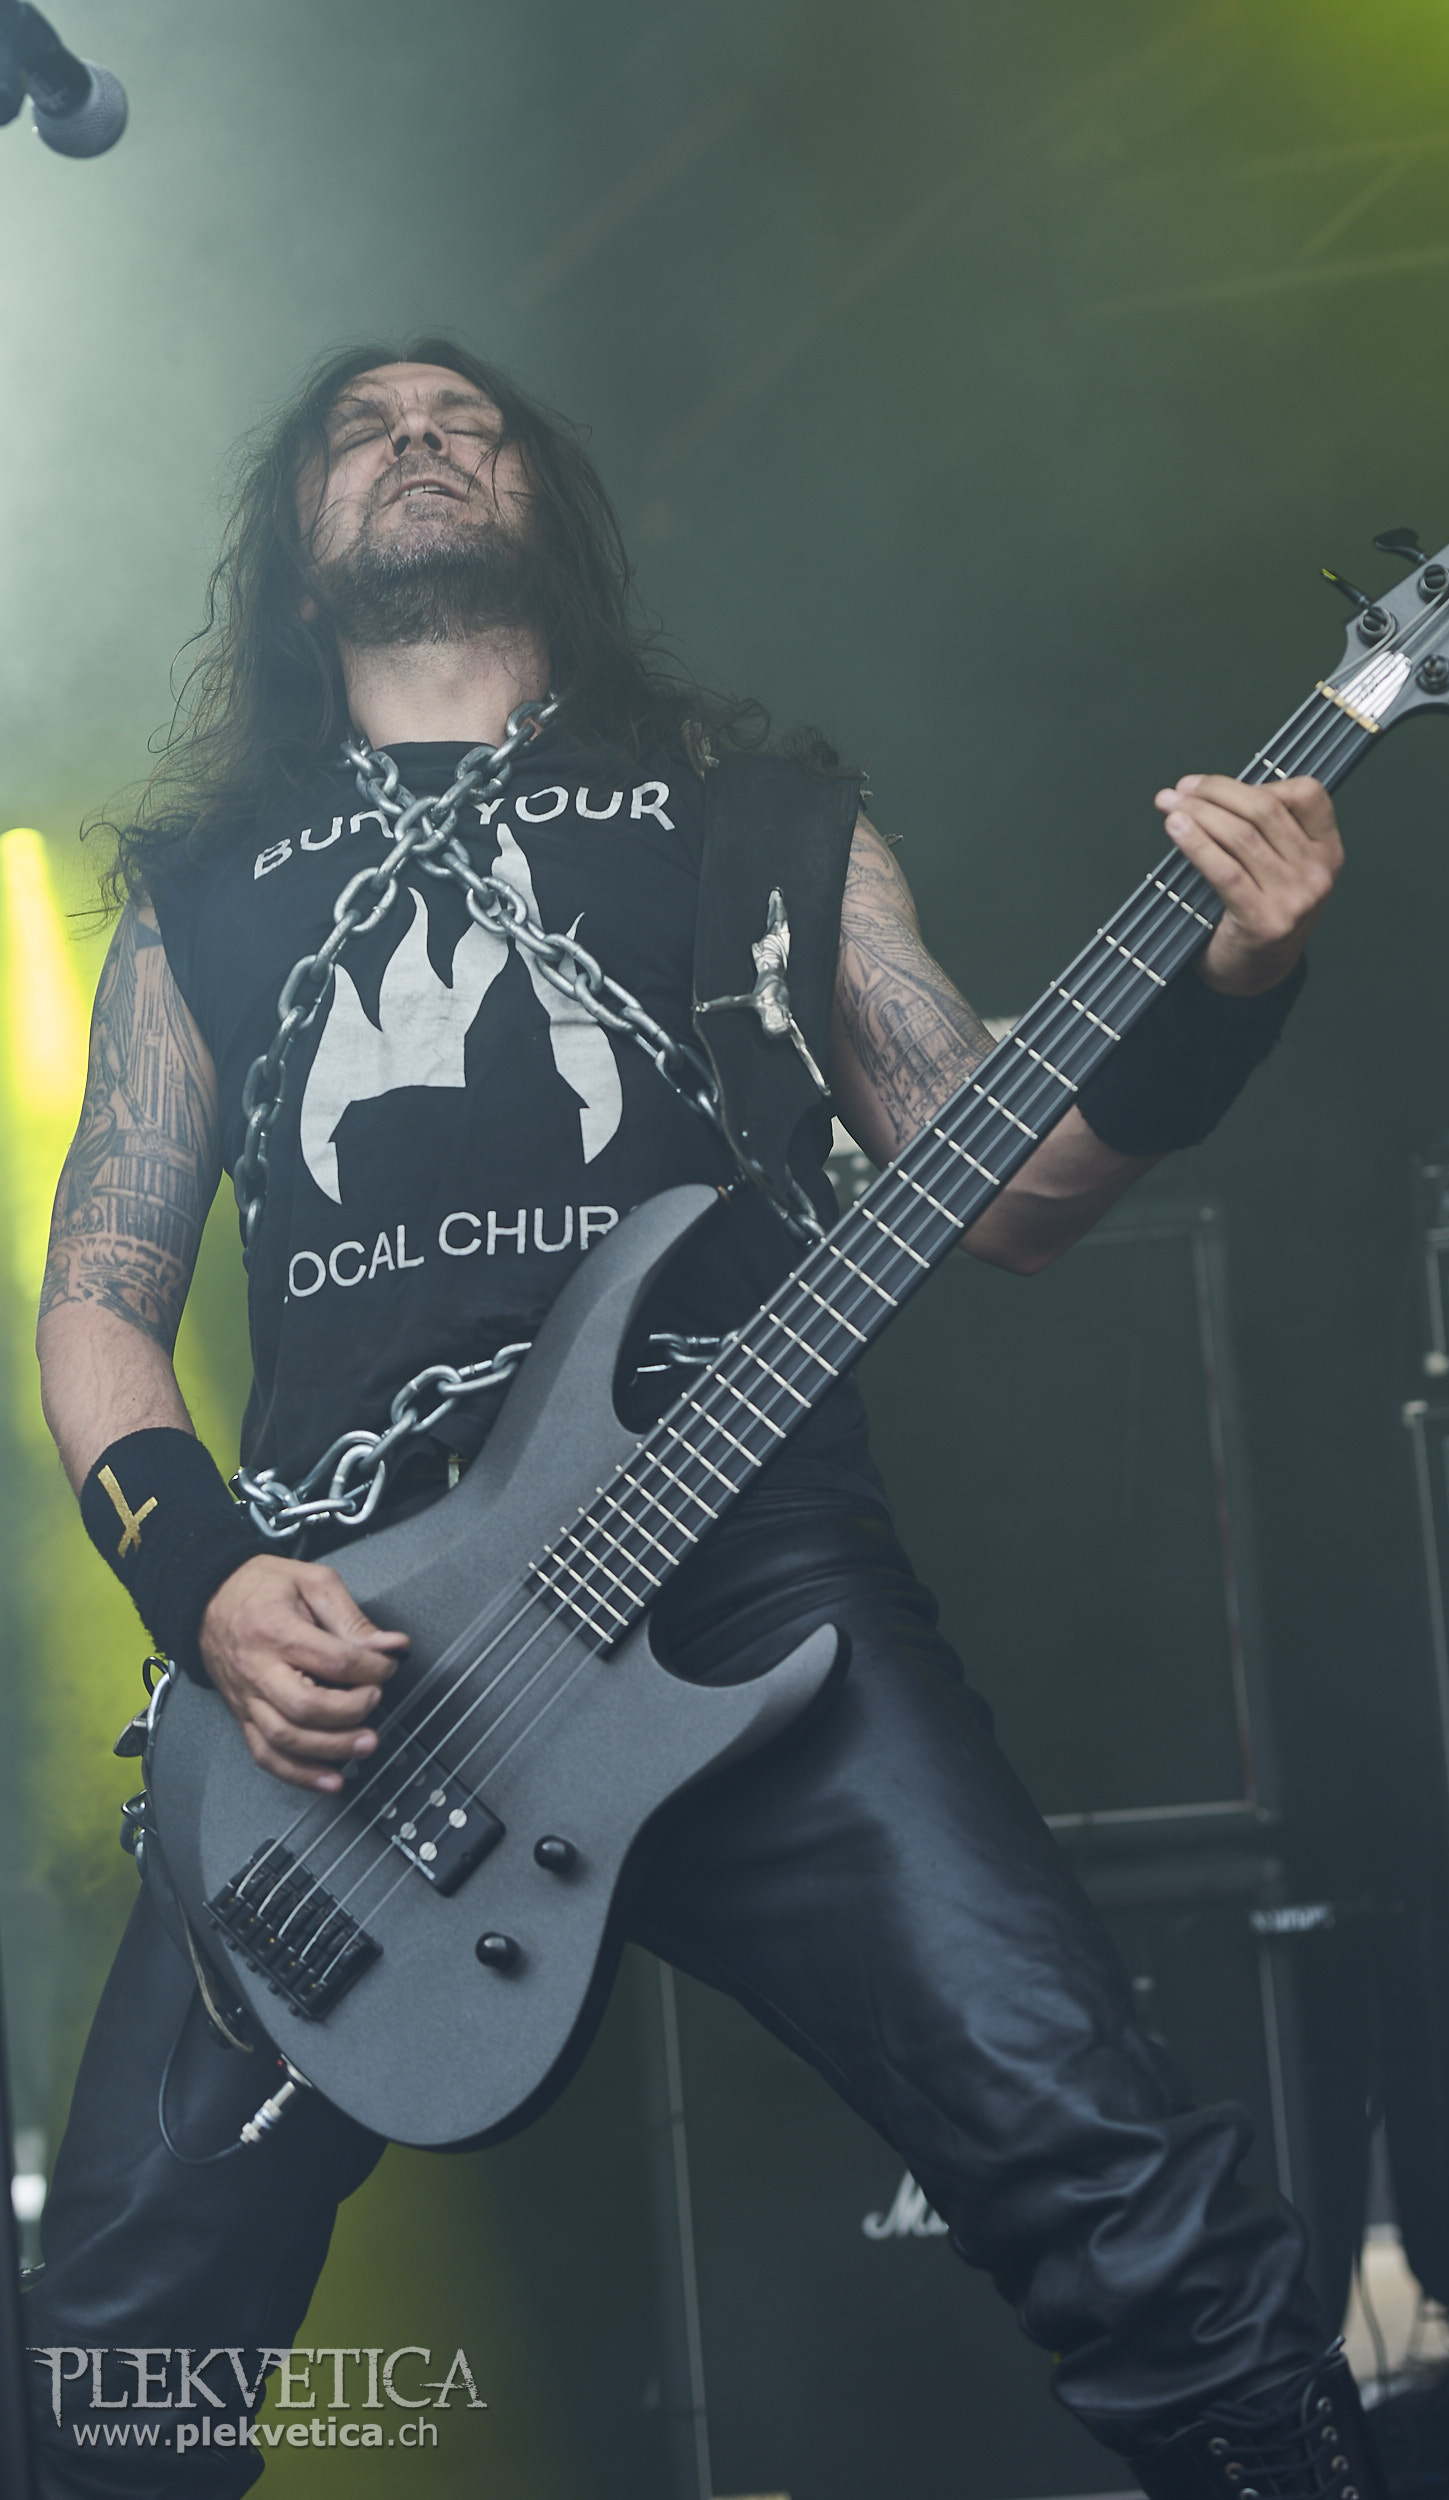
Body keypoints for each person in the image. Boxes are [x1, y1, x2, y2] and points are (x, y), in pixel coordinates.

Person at [28, 336, 1371, 2500]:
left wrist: (1231, 988)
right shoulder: (204, 897)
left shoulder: (755, 823)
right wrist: (206, 1583)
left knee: (1123, 2192)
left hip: (745, 1568)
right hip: (356, 1658)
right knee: (117, 2348)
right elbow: (98, 1296)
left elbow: (1006, 1185)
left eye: (464, 418)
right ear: (293, 552)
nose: (417, 438)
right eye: (360, 429)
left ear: (545, 505)